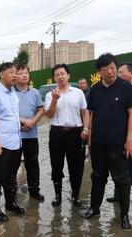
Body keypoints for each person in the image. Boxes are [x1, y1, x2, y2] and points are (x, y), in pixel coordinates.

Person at [82, 53, 132, 230]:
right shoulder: (95, 90)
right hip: (98, 143)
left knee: (122, 180)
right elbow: (91, 114)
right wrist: (90, 138)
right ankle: (94, 208)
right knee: (98, 177)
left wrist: (129, 140)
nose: (111, 72)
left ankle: (124, 216)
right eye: (106, 69)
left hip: (119, 143)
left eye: (113, 68)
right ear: (99, 72)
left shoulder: (125, 87)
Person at [105, 62, 132, 213]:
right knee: (119, 168)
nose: (117, 74)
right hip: (117, 137)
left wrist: (129, 137)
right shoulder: (118, 90)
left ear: (131, 73)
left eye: (120, 72)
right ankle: (119, 195)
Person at [45, 64, 89, 207]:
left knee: (76, 167)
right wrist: (54, 99)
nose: (60, 76)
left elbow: (85, 112)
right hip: (57, 133)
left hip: (76, 133)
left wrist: (86, 128)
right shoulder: (49, 95)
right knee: (56, 166)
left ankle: (75, 196)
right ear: (54, 78)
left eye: (62, 73)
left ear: (68, 75)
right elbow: (49, 115)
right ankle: (58, 196)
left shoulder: (78, 93)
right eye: (57, 74)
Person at [0, 62, 25, 223]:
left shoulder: (13, 93)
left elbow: (13, 117)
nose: (14, 75)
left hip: (16, 143)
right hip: (2, 145)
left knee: (11, 177)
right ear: (1, 74)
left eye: (16, 72)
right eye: (11, 72)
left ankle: (10, 204)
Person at [14, 65, 45, 201]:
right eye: (20, 73)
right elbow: (9, 112)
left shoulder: (35, 93)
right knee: (13, 164)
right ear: (15, 76)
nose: (24, 75)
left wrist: (32, 122)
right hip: (15, 135)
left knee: (32, 163)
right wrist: (24, 122)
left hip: (31, 134)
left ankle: (34, 190)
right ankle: (12, 190)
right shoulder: (10, 92)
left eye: (26, 73)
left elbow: (40, 110)